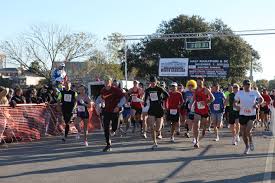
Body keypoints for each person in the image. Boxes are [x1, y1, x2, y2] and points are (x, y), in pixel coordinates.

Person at [234, 80, 263, 154]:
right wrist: (236, 106)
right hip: (242, 114)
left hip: (252, 115)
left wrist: (257, 103)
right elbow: (234, 103)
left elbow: (261, 99)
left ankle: (250, 142)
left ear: (250, 85)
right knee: (243, 133)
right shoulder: (239, 93)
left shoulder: (254, 92)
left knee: (247, 131)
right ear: (243, 86)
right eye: (246, 85)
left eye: (248, 85)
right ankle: (247, 146)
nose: (247, 86)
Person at [100, 76, 125, 152]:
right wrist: (102, 104)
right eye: (105, 81)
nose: (106, 82)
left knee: (115, 127)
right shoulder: (103, 90)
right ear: (104, 82)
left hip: (115, 111)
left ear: (111, 82)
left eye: (108, 81)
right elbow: (102, 98)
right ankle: (108, 144)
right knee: (106, 127)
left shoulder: (116, 90)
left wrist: (118, 106)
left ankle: (113, 130)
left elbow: (123, 98)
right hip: (107, 111)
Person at [144, 76, 169, 150]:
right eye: (151, 82)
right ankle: (154, 142)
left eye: (154, 82)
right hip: (151, 109)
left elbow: (167, 95)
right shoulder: (148, 90)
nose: (152, 83)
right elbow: (146, 97)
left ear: (156, 82)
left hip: (159, 109)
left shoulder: (159, 89)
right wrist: (145, 102)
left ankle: (158, 132)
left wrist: (161, 99)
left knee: (158, 128)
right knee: (152, 127)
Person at [192, 77, 215, 148]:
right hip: (197, 111)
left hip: (205, 110)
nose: (199, 83)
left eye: (200, 82)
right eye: (198, 82)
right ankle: (196, 141)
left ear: (203, 82)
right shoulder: (195, 90)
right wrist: (191, 105)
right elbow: (193, 99)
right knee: (196, 126)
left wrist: (206, 102)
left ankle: (204, 129)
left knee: (204, 125)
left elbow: (213, 98)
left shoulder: (206, 90)